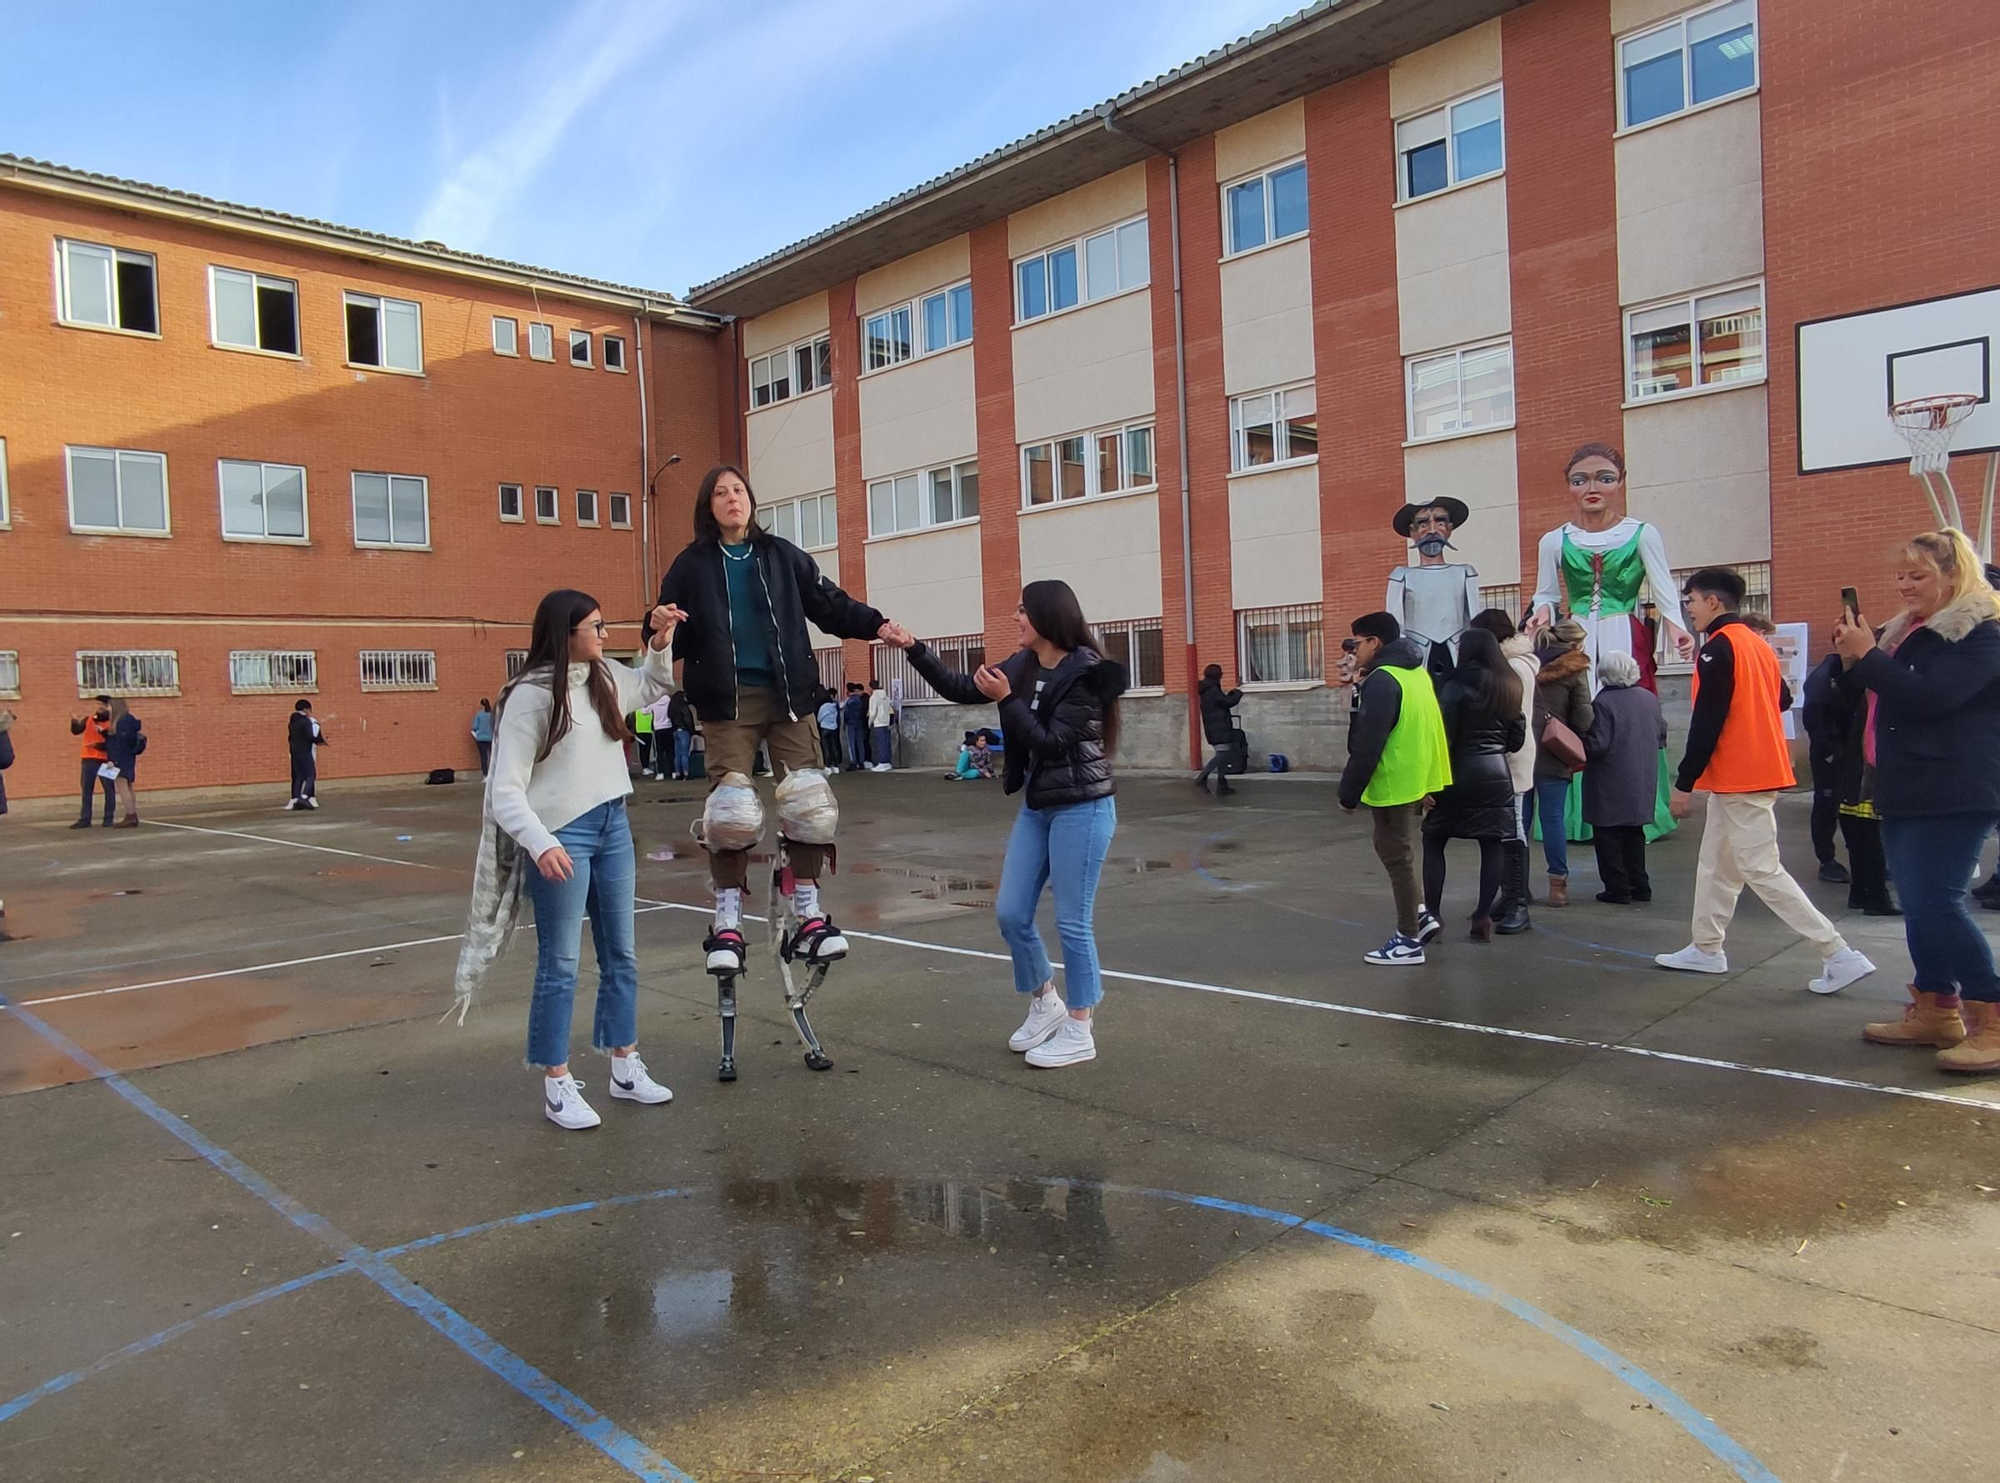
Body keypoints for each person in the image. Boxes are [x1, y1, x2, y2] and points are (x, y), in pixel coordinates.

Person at [656, 464, 892, 978]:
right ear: (708, 506)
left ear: (751, 500)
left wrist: (877, 624)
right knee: (731, 813)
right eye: (720, 492)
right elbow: (663, 625)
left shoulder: (780, 556)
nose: (731, 498)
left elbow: (830, 605)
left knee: (810, 804)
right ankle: (727, 922)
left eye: (738, 490)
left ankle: (808, 913)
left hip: (789, 697)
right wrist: (658, 630)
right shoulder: (691, 565)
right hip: (726, 700)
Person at [882, 579, 1125, 1069]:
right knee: (1011, 914)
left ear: (1047, 616)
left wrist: (1008, 699)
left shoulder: (1087, 674)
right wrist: (912, 648)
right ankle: (1045, 1001)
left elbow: (1052, 743)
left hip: (1083, 806)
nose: (1015, 618)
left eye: (1022, 610)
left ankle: (1081, 1027)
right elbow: (958, 687)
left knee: (1073, 923)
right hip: (1039, 806)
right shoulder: (1023, 664)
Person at [464, 587, 681, 1129]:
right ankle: (556, 1082)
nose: (606, 637)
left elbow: (655, 684)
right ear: (565, 635)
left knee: (622, 954)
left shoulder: (604, 676)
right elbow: (505, 790)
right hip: (562, 835)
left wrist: (658, 641)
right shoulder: (531, 696)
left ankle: (624, 1064)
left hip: (613, 823)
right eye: (597, 628)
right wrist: (543, 843)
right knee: (559, 964)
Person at [1656, 568, 1876, 995]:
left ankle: (1836, 951)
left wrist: (1683, 782)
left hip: (1741, 774)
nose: (1689, 609)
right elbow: (1783, 698)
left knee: (1760, 868)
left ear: (1713, 602)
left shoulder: (1717, 649)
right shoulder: (1756, 644)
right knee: (1718, 864)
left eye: (1692, 600)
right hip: (1753, 771)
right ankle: (1706, 947)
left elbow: (1706, 722)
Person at [1834, 530, 2000, 1072]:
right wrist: (1853, 657)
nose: (1904, 585)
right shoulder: (1910, 633)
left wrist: (1868, 657)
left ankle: (1992, 1015)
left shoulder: (1980, 633)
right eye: (1900, 575)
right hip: (1906, 786)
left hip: (1955, 788)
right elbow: (1882, 694)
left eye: (1918, 575)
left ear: (1954, 577)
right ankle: (1936, 1008)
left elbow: (1931, 698)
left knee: (1937, 902)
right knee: (1917, 901)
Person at [1338, 611, 1451, 966]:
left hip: (1394, 779)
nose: (1353, 651)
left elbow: (1367, 742)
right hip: (1414, 776)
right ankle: (1418, 914)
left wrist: (1348, 792)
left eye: (1356, 643)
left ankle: (1407, 939)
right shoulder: (1415, 674)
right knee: (1392, 849)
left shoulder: (1384, 680)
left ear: (1375, 642)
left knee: (1396, 854)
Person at [1422, 629, 1526, 941]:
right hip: (1495, 775)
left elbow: (1443, 738)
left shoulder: (1454, 686)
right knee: (1492, 843)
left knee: (1434, 840)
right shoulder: (1510, 685)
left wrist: (1428, 781)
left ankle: (1434, 913)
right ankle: (1482, 916)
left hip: (1455, 773)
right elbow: (1516, 740)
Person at [1818, 626, 1899, 918]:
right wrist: (1833, 754)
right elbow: (1826, 712)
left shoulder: (1859, 675)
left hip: (1856, 766)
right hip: (1858, 767)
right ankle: (1873, 896)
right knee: (1866, 838)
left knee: (1862, 836)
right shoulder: (1844, 674)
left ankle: (1863, 892)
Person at [1467, 608, 1539, 933]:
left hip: (1511, 758)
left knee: (1514, 831)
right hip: (1506, 757)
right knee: (1505, 829)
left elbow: (1511, 717)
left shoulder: (1513, 668)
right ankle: (1510, 895)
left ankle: (1518, 905)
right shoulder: (1513, 665)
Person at [1582, 652, 1666, 904]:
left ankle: (1617, 888)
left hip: (1610, 777)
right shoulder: (1648, 698)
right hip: (1642, 774)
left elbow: (1597, 745)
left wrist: (1577, 740)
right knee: (1634, 834)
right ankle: (1640, 885)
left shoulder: (1603, 703)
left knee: (1608, 835)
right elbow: (1661, 733)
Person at [1387, 498, 1483, 686]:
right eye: (1423, 523)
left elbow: (1475, 621)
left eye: (1439, 522)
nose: (1432, 530)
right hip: (1416, 658)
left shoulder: (1465, 573)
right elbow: (1395, 625)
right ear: (1412, 531)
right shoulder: (1401, 576)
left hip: (1458, 655)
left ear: (1449, 528)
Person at [1531, 619, 1593, 906]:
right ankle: (1558, 887)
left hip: (1522, 751)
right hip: (1554, 752)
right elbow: (1583, 716)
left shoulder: (1525, 664)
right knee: (1552, 818)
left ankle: (1516, 885)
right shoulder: (1575, 670)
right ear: (1574, 644)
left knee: (1519, 821)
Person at [1799, 654, 1851, 884]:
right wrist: (1829, 750)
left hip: (1850, 749)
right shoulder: (1825, 676)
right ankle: (1826, 860)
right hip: (1832, 751)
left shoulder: (1858, 669)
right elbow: (1812, 715)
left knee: (1854, 805)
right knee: (1827, 804)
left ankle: (1866, 857)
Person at [1193, 664, 1244, 796]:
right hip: (1218, 727)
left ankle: (1222, 785)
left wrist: (1231, 694)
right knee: (1223, 754)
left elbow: (1221, 701)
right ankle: (1202, 778)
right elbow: (1226, 702)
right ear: (1217, 675)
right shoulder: (1212, 690)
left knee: (1224, 754)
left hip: (1216, 726)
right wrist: (1237, 694)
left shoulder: (1209, 689)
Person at [69, 696, 115, 829]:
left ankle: (108, 819)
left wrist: (98, 745)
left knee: (109, 790)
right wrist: (74, 721)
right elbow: (76, 731)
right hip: (88, 759)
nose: (100, 707)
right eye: (99, 704)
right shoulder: (89, 719)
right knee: (86, 789)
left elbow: (113, 743)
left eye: (104, 705)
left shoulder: (113, 723)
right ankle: (85, 819)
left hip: (106, 760)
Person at [102, 696, 143, 828]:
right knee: (128, 785)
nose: (107, 708)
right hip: (128, 758)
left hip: (121, 759)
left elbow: (120, 744)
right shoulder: (126, 721)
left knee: (122, 786)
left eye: (109, 706)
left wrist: (114, 761)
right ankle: (131, 813)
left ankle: (130, 815)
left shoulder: (121, 723)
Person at [286, 699, 328, 809]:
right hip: (305, 751)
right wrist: (320, 741)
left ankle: (295, 798)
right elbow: (310, 736)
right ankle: (305, 796)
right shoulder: (306, 721)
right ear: (306, 709)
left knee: (298, 775)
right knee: (310, 774)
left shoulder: (292, 722)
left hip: (294, 752)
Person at [867, 679, 895, 772]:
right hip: (885, 722)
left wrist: (869, 722)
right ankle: (886, 762)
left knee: (879, 743)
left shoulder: (873, 698)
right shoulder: (886, 697)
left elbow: (873, 712)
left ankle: (882, 763)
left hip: (878, 722)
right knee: (885, 743)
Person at [667, 689, 695, 779]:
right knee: (684, 754)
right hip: (684, 731)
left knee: (677, 754)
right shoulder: (683, 707)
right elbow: (688, 720)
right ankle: (686, 773)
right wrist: (692, 731)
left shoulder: (672, 708)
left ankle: (678, 773)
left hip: (675, 731)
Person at [841, 683, 868, 772]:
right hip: (859, 722)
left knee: (851, 743)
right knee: (860, 743)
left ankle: (853, 762)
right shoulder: (859, 700)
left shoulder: (850, 701)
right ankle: (861, 762)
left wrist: (845, 723)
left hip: (851, 723)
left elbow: (847, 713)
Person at [631, 694, 657, 777]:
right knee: (645, 750)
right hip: (645, 731)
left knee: (645, 750)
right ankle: (645, 767)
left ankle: (645, 767)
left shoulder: (637, 709)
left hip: (643, 731)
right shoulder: (648, 709)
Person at [816, 689, 841, 769]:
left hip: (824, 728)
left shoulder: (823, 707)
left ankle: (828, 765)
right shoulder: (834, 706)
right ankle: (836, 765)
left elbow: (819, 718)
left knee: (826, 747)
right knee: (834, 746)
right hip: (833, 727)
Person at [471, 699, 495, 778]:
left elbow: (474, 727)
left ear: (482, 706)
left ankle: (485, 775)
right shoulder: (493, 715)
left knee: (483, 757)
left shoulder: (479, 715)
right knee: (492, 756)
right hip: (491, 738)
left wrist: (476, 736)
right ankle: (493, 773)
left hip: (481, 739)